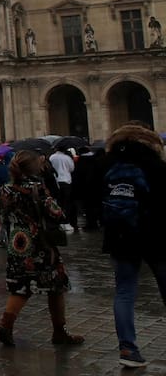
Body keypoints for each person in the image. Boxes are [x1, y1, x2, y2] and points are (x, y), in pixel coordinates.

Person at [0, 150, 83, 347]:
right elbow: (57, 214)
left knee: (21, 286)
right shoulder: (37, 188)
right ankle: (59, 331)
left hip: (17, 243)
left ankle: (5, 324)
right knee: (56, 285)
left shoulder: (6, 189)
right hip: (40, 244)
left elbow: (4, 214)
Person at [102, 123, 166, 369]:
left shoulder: (107, 166)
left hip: (120, 237)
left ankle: (127, 348)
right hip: (157, 236)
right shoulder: (156, 167)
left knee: (124, 292)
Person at [49, 145, 77, 231]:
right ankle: (66, 221)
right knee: (67, 202)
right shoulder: (67, 158)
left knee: (59, 202)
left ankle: (59, 221)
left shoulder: (52, 157)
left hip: (56, 181)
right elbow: (72, 169)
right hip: (66, 181)